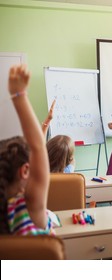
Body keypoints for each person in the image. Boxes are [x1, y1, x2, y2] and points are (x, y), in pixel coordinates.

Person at [0, 64, 54, 235]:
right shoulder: (29, 208)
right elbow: (38, 147)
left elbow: (38, 148)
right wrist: (19, 96)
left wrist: (45, 125)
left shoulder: (5, 208)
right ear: (25, 170)